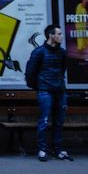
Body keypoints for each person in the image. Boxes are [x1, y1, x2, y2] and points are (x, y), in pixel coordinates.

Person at [24, 24, 71, 163]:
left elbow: (63, 69)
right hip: (45, 90)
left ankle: (58, 149)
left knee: (59, 121)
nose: (61, 36)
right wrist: (38, 87)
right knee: (44, 120)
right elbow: (31, 72)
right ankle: (43, 149)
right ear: (51, 36)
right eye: (59, 34)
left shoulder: (62, 53)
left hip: (59, 90)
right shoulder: (39, 52)